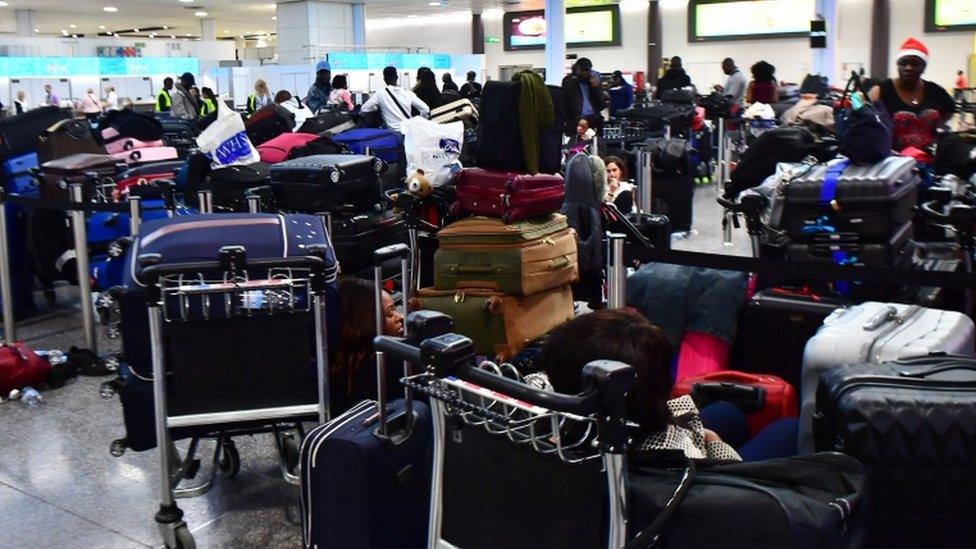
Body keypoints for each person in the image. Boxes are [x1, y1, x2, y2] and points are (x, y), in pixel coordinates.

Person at [538, 309, 799, 462]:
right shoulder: (673, 456)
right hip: (698, 481)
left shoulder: (543, 428)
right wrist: (715, 444)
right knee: (790, 430)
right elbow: (725, 480)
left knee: (725, 413)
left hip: (607, 438)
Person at [330, 278, 404, 415]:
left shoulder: (335, 361)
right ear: (367, 320)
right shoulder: (392, 362)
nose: (400, 316)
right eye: (390, 313)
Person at [868, 37, 956, 152]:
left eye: (915, 64)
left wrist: (939, 124)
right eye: (904, 63)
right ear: (898, 66)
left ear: (923, 68)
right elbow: (860, 113)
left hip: (929, 159)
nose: (908, 68)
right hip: (892, 160)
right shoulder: (880, 90)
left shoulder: (935, 91)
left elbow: (950, 109)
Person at [360, 66, 430, 131]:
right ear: (397, 77)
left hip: (394, 133)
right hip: (409, 131)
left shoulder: (380, 93)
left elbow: (364, 109)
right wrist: (418, 122)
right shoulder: (408, 93)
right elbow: (425, 109)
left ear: (384, 79)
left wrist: (376, 107)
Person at [562, 57, 610, 137]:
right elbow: (566, 103)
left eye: (587, 70)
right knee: (576, 147)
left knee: (597, 146)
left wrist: (595, 87)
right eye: (582, 70)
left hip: (592, 120)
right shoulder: (569, 81)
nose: (585, 73)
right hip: (576, 121)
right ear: (577, 69)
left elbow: (601, 105)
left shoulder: (592, 81)